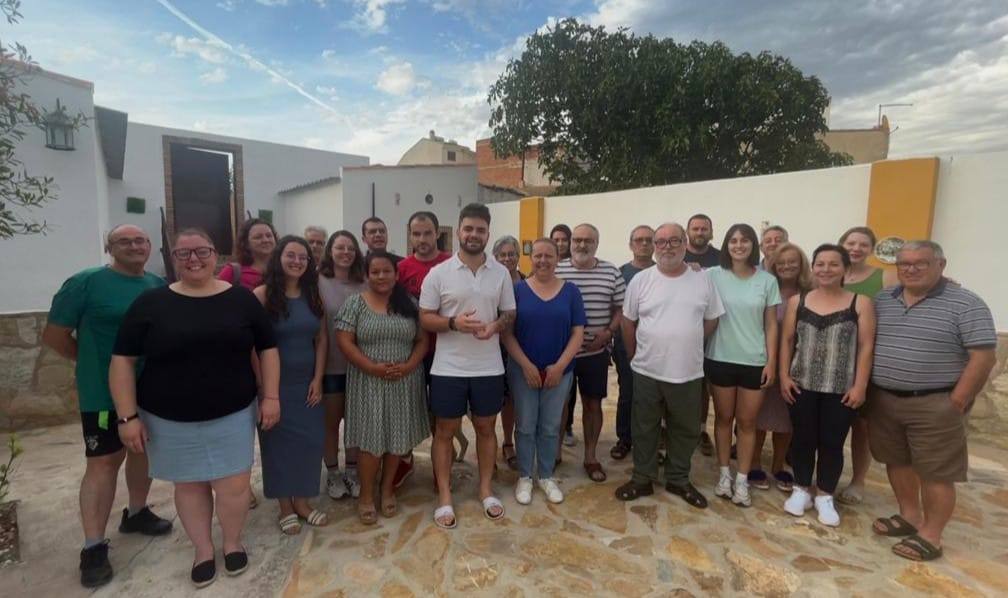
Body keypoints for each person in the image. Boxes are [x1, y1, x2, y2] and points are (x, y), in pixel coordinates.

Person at [110, 228, 280, 588]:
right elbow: (123, 360)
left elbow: (267, 349)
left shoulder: (241, 299)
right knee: (189, 486)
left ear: (215, 255)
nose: (193, 259)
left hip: (233, 412)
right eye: (183, 253)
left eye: (201, 251)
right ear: (173, 259)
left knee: (234, 485)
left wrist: (271, 397)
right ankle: (203, 550)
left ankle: (232, 542)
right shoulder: (151, 303)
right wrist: (127, 417)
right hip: (169, 418)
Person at [42, 224, 173, 588]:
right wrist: (91, 362)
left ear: (149, 246)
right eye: (124, 241)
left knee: (142, 450)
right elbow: (54, 336)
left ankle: (137, 512)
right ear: (109, 247)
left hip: (150, 388)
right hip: (102, 395)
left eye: (140, 240)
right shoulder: (85, 283)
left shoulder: (157, 285)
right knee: (103, 462)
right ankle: (93, 547)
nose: (134, 245)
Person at [869, 240, 996, 561]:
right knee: (896, 460)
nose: (910, 269)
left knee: (936, 471)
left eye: (920, 263)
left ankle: (931, 534)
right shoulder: (884, 299)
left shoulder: (966, 303)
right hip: (885, 399)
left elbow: (983, 357)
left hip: (935, 402)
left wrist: (958, 400)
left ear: (941, 265)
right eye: (904, 264)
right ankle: (909, 515)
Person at [419, 203, 516, 529]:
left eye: (480, 230)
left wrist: (495, 326)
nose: (474, 234)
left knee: (487, 429)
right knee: (444, 433)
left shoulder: (500, 273)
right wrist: (453, 323)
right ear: (459, 230)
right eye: (469, 228)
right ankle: (445, 496)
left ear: (488, 233)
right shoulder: (439, 273)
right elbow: (425, 318)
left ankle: (485, 489)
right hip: (448, 369)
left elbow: (509, 313)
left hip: (489, 367)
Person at [615, 223, 724, 509]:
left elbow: (712, 319)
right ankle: (642, 478)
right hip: (647, 369)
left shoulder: (702, 280)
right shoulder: (641, 280)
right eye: (660, 241)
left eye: (674, 241)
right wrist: (634, 355)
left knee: (685, 428)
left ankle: (678, 478)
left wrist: (688, 341)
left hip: (687, 370)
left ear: (685, 243)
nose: (667, 247)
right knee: (644, 426)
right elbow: (628, 321)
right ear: (654, 246)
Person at [778, 244, 876, 527]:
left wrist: (860, 385)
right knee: (803, 438)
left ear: (845, 269)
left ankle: (825, 495)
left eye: (833, 264)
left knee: (832, 442)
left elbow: (866, 346)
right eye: (820, 264)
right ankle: (801, 489)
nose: (826, 269)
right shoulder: (798, 301)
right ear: (813, 267)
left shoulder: (860, 303)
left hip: (841, 387)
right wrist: (784, 376)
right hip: (802, 383)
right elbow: (787, 340)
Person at [336, 251, 431, 524]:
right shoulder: (355, 304)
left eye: (386, 271)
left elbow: (422, 340)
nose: (381, 276)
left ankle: (387, 489)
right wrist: (372, 367)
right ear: (367, 275)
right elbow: (344, 341)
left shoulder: (409, 303)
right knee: (371, 442)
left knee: (396, 439)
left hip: (404, 380)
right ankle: (366, 495)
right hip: (368, 381)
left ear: (397, 274)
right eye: (375, 272)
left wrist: (409, 366)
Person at [253, 236, 329, 534]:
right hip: (275, 387)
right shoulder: (262, 296)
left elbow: (321, 339)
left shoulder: (314, 295)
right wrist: (264, 389)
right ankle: (285, 507)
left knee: (310, 443)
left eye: (303, 257)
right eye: (291, 255)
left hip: (307, 385)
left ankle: (303, 502)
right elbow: (251, 346)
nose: (297, 261)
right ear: (279, 258)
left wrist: (318, 379)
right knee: (277, 447)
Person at [502, 238, 585, 505]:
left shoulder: (571, 292)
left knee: (550, 426)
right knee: (525, 425)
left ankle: (546, 475)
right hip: (523, 370)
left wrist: (560, 367)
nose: (543, 260)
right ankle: (525, 476)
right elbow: (507, 333)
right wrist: (526, 365)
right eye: (538, 255)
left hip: (559, 372)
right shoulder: (517, 290)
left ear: (557, 258)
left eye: (549, 255)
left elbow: (578, 332)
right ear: (530, 258)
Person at [705, 223, 781, 507]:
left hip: (754, 361)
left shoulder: (767, 281)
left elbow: (771, 324)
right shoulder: (712, 275)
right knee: (723, 419)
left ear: (753, 245)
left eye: (745, 240)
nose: (739, 245)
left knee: (747, 423)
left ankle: (742, 479)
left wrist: (771, 362)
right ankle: (724, 474)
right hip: (720, 357)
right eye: (733, 240)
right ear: (726, 245)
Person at [556, 223, 625, 483]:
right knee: (559, 404)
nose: (582, 245)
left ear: (597, 243)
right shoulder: (557, 269)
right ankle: (555, 453)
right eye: (577, 240)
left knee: (593, 404)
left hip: (595, 353)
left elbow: (620, 308)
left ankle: (591, 456)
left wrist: (608, 333)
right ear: (571, 242)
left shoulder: (611, 272)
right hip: (562, 353)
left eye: (588, 240)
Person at [836, 225, 898, 506]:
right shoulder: (830, 273)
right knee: (829, 423)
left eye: (863, 244)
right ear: (842, 244)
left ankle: (858, 480)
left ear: (871, 249)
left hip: (865, 359)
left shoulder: (884, 276)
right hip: (833, 361)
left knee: (861, 426)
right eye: (851, 243)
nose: (856, 248)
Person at [393, 211, 454, 487]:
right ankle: (404, 460)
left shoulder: (452, 265)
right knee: (407, 411)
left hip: (447, 352)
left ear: (437, 233)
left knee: (444, 416)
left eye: (427, 233)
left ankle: (443, 468)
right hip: (412, 353)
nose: (422, 239)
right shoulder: (401, 269)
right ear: (410, 236)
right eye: (416, 234)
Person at [750, 242, 811, 493]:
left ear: (801, 264)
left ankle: (778, 465)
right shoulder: (765, 288)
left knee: (787, 418)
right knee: (757, 416)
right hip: (764, 361)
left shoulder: (810, 293)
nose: (786, 266)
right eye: (781, 262)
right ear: (773, 265)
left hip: (797, 365)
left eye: (792, 262)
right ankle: (754, 463)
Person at [317, 231, 366, 500]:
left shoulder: (364, 282)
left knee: (356, 423)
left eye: (350, 248)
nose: (346, 252)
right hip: (331, 366)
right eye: (340, 247)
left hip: (361, 367)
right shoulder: (318, 281)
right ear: (330, 251)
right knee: (331, 423)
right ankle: (333, 474)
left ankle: (353, 471)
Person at [610, 225, 654, 461]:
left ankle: (649, 442)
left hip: (655, 347)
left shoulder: (664, 272)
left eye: (649, 240)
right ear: (630, 244)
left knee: (652, 397)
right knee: (628, 392)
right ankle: (624, 438)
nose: (644, 244)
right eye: (639, 240)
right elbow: (613, 309)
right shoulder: (620, 274)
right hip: (624, 345)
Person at [684, 214, 721, 458]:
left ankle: (700, 430)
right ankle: (667, 429)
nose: (699, 232)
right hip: (681, 333)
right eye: (695, 228)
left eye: (704, 228)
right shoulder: (677, 255)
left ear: (711, 232)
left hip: (712, 332)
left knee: (703, 387)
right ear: (688, 232)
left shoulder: (721, 258)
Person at [494, 234, 525, 470]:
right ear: (495, 257)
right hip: (493, 348)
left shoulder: (527, 282)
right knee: (496, 399)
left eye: (511, 254)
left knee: (514, 399)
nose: (507, 258)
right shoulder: (491, 282)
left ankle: (511, 442)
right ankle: (496, 443)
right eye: (502, 255)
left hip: (520, 348)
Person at [218, 218, 278, 290]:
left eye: (269, 236)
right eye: (258, 237)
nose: (265, 240)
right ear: (246, 243)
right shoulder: (232, 272)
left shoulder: (282, 271)